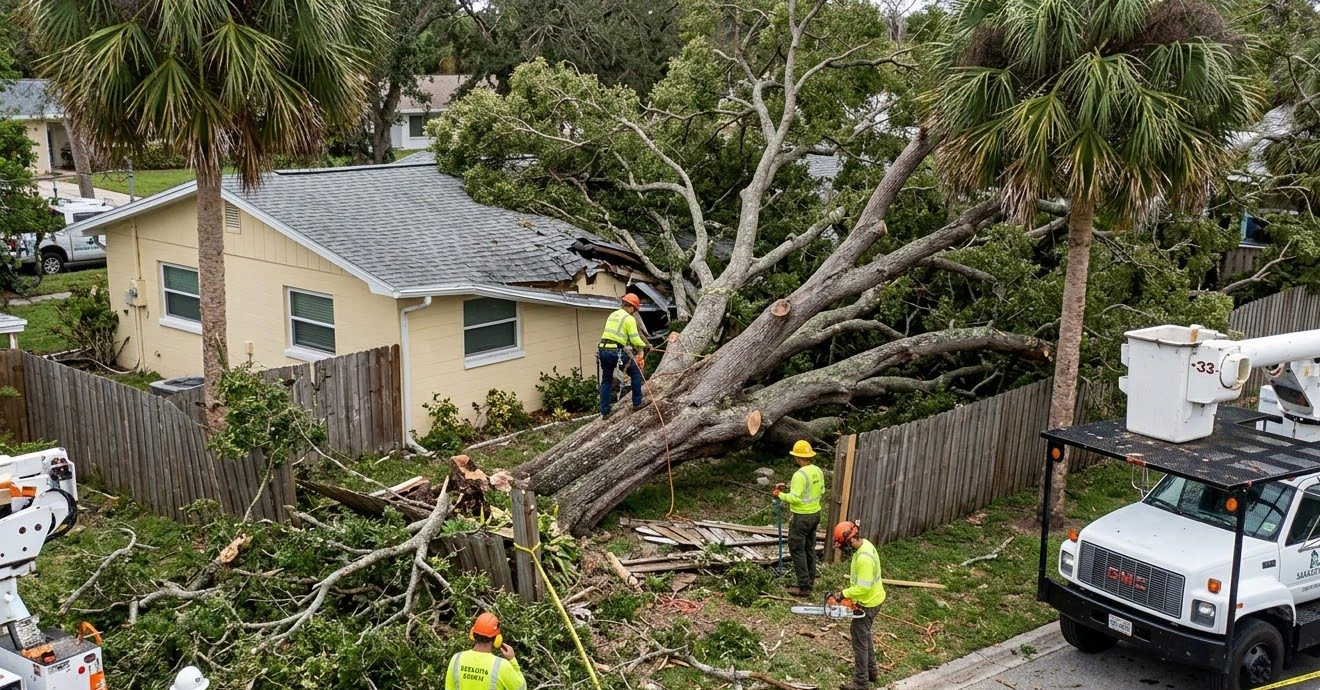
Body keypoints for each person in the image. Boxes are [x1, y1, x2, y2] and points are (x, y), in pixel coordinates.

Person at [829, 521, 886, 690]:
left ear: (851, 541)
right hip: (872, 598)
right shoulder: (865, 544)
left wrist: (844, 594)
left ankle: (861, 683)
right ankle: (871, 671)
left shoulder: (864, 559)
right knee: (864, 634)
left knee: (859, 639)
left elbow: (863, 587)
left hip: (869, 603)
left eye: (844, 545)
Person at [774, 439, 825, 597]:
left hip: (801, 517)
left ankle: (804, 587)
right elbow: (820, 491)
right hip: (815, 515)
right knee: (809, 548)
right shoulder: (817, 471)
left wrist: (780, 494)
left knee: (797, 550)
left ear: (797, 457)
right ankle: (810, 580)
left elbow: (796, 498)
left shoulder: (799, 475)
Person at [446, 612, 527, 690]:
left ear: (472, 633)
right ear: (497, 639)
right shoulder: (502, 666)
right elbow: (521, 688)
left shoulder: (456, 659)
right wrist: (512, 660)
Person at [598, 293, 647, 416]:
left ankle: (605, 412)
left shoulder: (612, 315)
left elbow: (618, 335)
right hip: (616, 351)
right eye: (634, 310)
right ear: (631, 307)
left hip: (603, 350)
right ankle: (637, 403)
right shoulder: (629, 319)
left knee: (606, 380)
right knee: (635, 373)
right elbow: (635, 339)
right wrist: (645, 347)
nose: (634, 312)